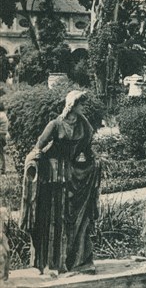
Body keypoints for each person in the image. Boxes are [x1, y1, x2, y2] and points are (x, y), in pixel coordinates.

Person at [20, 90, 101, 274]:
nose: (83, 107)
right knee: (55, 218)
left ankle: (77, 260)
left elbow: (88, 147)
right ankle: (52, 262)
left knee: (73, 217)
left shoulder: (83, 124)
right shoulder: (55, 124)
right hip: (54, 174)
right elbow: (39, 146)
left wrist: (92, 159)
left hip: (73, 172)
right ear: (72, 105)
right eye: (80, 103)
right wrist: (35, 160)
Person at [0, 103, 9, 175]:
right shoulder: (4, 115)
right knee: (1, 152)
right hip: (3, 135)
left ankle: (2, 169)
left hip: (0, 135)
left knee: (1, 153)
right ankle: (2, 169)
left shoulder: (0, 115)